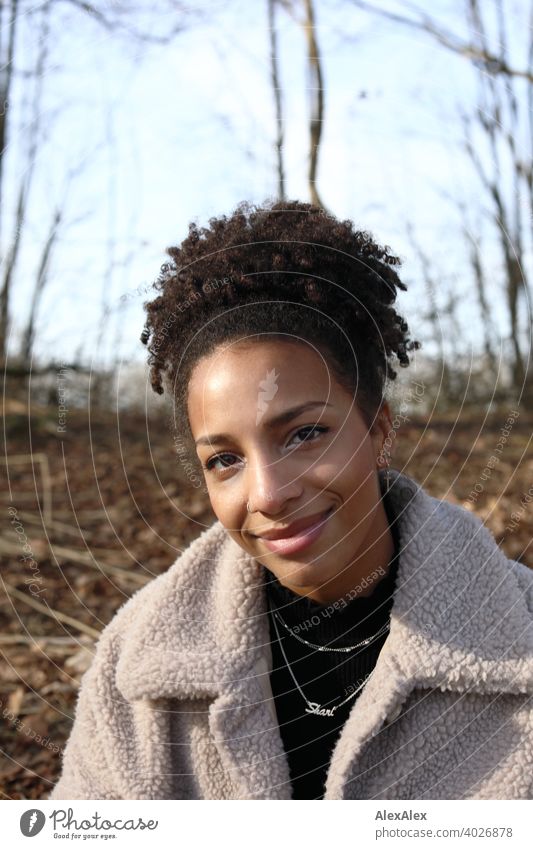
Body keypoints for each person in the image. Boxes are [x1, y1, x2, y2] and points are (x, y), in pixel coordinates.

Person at [50, 200, 533, 801]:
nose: (269, 495)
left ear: (379, 431)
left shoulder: (522, 635)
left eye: (305, 434)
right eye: (224, 459)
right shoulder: (139, 665)